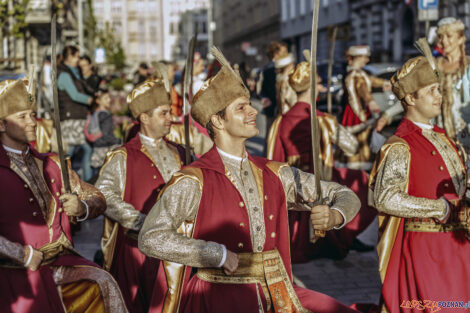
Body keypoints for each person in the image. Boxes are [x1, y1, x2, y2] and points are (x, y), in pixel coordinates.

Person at [138, 47, 361, 313]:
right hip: (217, 298)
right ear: (218, 121)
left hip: (277, 295)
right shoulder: (193, 180)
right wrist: (214, 253)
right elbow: (151, 237)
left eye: (250, 104)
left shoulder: (275, 173)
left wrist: (336, 215)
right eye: (241, 107)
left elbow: (344, 194)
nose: (253, 111)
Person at [0, 78, 127, 312]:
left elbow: (98, 198)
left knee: (103, 282)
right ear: (1, 125)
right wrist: (22, 255)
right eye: (22, 116)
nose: (32, 122)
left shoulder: (52, 163)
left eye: (33, 114)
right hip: (14, 273)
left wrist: (82, 207)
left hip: (62, 263)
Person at [370, 54, 470, 313]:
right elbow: (386, 198)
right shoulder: (400, 145)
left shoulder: (442, 136)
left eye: (438, 89)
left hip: (457, 246)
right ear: (411, 98)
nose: (439, 96)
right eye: (431, 91)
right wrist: (440, 209)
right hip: (426, 251)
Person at [268, 60, 376, 262]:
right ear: (311, 88)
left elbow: (274, 157)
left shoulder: (280, 120)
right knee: (363, 180)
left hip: (292, 180)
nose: (320, 87)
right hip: (320, 177)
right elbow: (351, 146)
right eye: (318, 84)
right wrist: (363, 126)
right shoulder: (323, 119)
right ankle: (345, 232)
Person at [96, 78, 187, 313]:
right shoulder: (121, 156)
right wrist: (142, 223)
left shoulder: (180, 153)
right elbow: (105, 195)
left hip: (178, 250)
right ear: (145, 118)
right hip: (138, 251)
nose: (171, 118)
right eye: (164, 113)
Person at [338, 45, 391, 170]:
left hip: (357, 111)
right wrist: (371, 101)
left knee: (360, 139)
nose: (366, 60)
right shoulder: (355, 75)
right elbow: (362, 89)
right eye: (364, 57)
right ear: (357, 58)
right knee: (360, 140)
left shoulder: (358, 73)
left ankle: (356, 165)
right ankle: (358, 166)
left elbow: (371, 81)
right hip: (357, 112)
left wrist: (385, 83)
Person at [58, 45, 93, 181]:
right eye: (77, 56)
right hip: (70, 117)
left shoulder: (72, 72)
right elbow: (74, 95)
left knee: (77, 150)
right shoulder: (65, 74)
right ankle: (62, 178)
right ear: (70, 57)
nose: (79, 59)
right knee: (70, 151)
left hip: (76, 116)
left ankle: (65, 178)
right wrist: (90, 100)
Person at [89, 89, 121, 173]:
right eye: (106, 98)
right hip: (104, 150)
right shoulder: (104, 115)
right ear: (98, 101)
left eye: (109, 98)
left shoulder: (95, 113)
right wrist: (119, 141)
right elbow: (105, 135)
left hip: (97, 148)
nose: (109, 100)